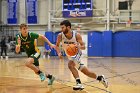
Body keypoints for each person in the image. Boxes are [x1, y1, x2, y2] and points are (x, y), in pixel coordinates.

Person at [55, 20, 108, 90]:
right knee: (86, 72)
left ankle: (79, 83)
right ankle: (100, 78)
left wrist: (78, 46)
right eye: (61, 28)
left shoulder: (76, 35)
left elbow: (84, 47)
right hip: (69, 55)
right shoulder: (60, 36)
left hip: (77, 53)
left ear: (68, 27)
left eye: (63, 27)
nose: (61, 29)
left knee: (70, 65)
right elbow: (57, 46)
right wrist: (59, 53)